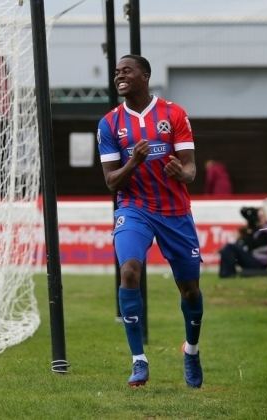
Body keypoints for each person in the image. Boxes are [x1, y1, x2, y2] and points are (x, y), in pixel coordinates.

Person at [97, 55, 203, 388]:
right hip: (134, 208)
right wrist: (134, 163)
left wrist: (180, 174)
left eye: (126, 71)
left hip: (174, 212)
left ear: (145, 75)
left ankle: (191, 350)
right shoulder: (110, 123)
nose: (119, 77)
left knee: (189, 290)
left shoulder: (174, 114)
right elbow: (112, 182)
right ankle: (138, 360)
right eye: (116, 73)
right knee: (129, 270)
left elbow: (190, 168)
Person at [218, 207, 267, 278]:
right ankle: (225, 273)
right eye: (258, 216)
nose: (259, 219)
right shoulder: (258, 229)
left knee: (230, 247)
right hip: (254, 259)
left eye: (261, 217)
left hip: (259, 263)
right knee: (228, 248)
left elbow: (253, 245)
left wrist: (247, 234)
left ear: (266, 217)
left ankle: (228, 274)